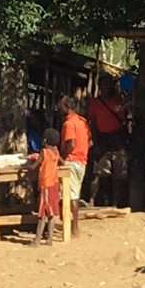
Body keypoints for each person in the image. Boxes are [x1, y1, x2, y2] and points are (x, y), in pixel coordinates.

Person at [88, 75, 128, 206]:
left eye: (108, 84)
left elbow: (125, 119)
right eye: (103, 84)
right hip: (102, 140)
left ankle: (115, 203)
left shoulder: (119, 100)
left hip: (117, 140)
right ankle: (92, 201)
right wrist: (94, 141)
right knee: (99, 173)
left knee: (118, 174)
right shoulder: (95, 102)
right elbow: (93, 123)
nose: (105, 87)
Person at [59, 96, 92, 238]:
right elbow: (90, 142)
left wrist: (63, 157)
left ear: (66, 107)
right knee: (75, 193)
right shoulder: (82, 122)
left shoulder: (69, 124)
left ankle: (74, 228)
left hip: (72, 161)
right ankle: (71, 224)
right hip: (82, 161)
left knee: (71, 195)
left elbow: (71, 143)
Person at [26, 128, 62, 246]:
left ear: (45, 141)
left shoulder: (44, 152)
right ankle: (50, 239)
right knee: (51, 213)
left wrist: (24, 167)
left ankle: (37, 240)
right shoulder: (56, 151)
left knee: (42, 214)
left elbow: (34, 166)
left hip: (46, 185)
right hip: (55, 184)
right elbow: (62, 162)